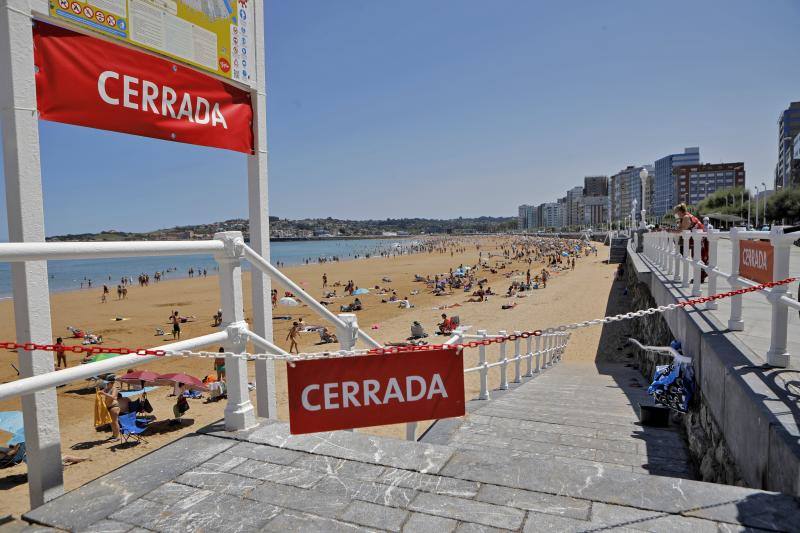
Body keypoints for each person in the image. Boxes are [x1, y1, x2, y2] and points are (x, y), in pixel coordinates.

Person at [673, 203, 708, 282]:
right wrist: (678, 222)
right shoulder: (684, 217)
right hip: (696, 238)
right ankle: (701, 275)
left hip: (699, 238)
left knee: (697, 257)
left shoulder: (686, 217)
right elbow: (680, 228)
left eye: (676, 213)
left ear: (680, 212)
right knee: (696, 257)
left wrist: (671, 231)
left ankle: (701, 276)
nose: (675, 214)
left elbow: (681, 230)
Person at [98, 375, 121, 441]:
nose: (107, 384)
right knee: (111, 422)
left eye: (108, 383)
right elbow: (102, 391)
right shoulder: (107, 388)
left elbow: (113, 397)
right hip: (109, 407)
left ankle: (117, 437)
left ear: (112, 383)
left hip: (114, 407)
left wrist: (104, 393)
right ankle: (114, 435)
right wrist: (99, 392)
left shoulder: (114, 389)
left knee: (115, 422)